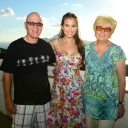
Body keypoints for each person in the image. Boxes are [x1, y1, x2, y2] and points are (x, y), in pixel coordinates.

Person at [0, 12, 56, 128]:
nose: (35, 26)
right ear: (25, 25)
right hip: (22, 103)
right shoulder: (15, 47)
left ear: (42, 26)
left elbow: (57, 63)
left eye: (39, 24)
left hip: (45, 102)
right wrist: (8, 99)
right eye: (31, 23)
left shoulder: (46, 46)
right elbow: (7, 74)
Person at [82, 14, 127, 128]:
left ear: (111, 32)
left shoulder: (117, 51)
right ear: (95, 29)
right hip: (89, 101)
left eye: (107, 29)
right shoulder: (86, 49)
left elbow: (122, 79)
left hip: (109, 103)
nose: (102, 31)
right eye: (99, 28)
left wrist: (121, 103)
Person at [46, 12, 86, 128]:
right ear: (62, 26)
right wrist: (57, 65)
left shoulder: (81, 44)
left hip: (76, 90)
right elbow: (42, 54)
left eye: (73, 26)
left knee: (74, 122)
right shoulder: (55, 43)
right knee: (57, 121)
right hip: (59, 90)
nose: (70, 29)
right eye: (67, 25)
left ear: (77, 27)